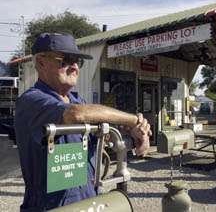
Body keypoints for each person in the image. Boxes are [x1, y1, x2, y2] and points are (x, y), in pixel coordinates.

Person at [14, 33, 151, 211]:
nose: (74, 67)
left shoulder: (78, 102)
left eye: (77, 61)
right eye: (66, 60)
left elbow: (107, 132)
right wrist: (133, 120)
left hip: (87, 203)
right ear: (41, 63)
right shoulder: (32, 101)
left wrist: (136, 132)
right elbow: (76, 115)